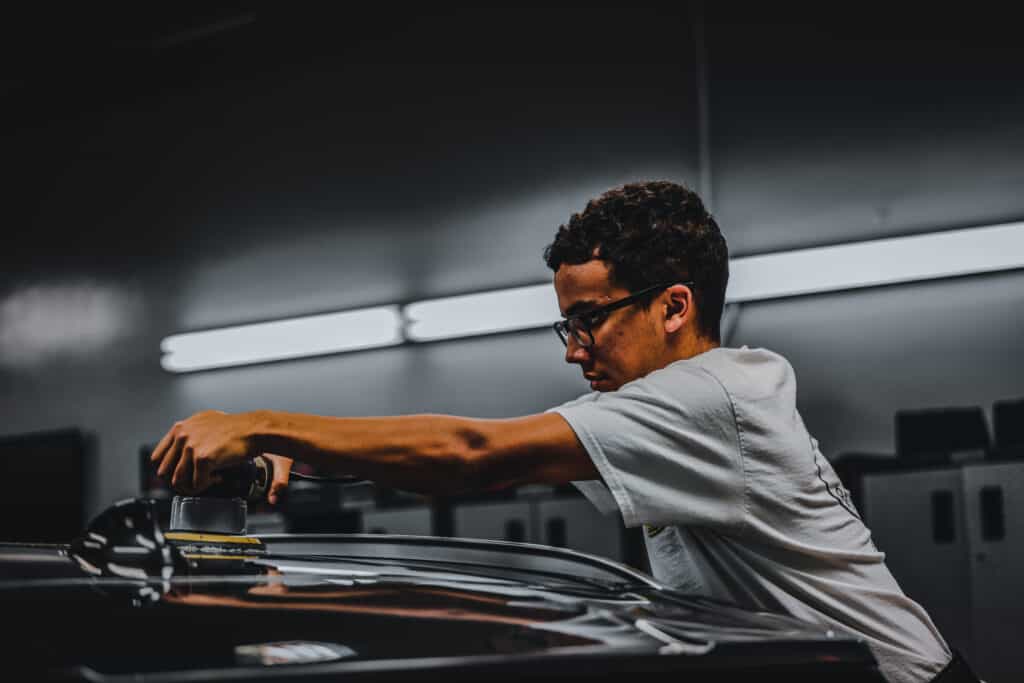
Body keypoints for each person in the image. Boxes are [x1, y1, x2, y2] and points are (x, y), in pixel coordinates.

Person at [151, 180, 970, 683]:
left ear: (674, 306)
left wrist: (259, 421)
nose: (575, 349)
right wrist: (295, 460)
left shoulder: (707, 396)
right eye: (564, 325)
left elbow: (473, 455)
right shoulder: (684, 406)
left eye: (588, 320)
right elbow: (489, 461)